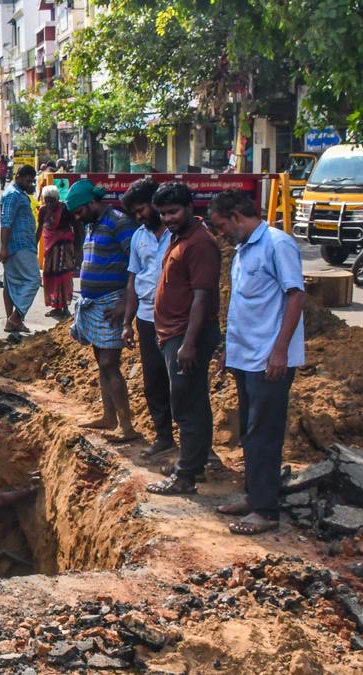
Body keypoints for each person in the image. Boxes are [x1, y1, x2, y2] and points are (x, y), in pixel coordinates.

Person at [207, 190, 305, 535]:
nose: (220, 233)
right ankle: (254, 495)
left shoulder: (277, 245)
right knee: (250, 431)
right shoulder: (243, 249)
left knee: (263, 432)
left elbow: (296, 296)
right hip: (246, 357)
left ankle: (266, 510)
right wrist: (228, 352)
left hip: (269, 360)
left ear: (236, 215)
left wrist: (280, 350)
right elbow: (244, 307)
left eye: (221, 225)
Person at [145, 183, 222, 496]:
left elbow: (203, 296)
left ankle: (185, 476)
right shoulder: (179, 237)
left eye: (173, 211)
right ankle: (195, 464)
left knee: (186, 406)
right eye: (163, 213)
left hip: (187, 334)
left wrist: (189, 344)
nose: (168, 218)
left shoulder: (200, 244)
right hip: (174, 333)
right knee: (193, 401)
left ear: (190, 208)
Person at [64, 179, 140, 443]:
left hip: (113, 304)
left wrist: (125, 305)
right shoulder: (92, 224)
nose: (77, 217)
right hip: (95, 304)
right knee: (101, 362)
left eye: (80, 211)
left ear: (93, 202)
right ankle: (109, 416)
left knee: (110, 363)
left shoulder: (119, 222)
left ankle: (126, 426)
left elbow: (137, 266)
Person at [120, 179, 177, 458]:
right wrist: (127, 323)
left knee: (181, 382)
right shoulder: (138, 237)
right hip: (145, 318)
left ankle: (196, 447)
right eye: (134, 213)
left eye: (141, 209)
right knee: (153, 380)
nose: (139, 216)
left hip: (176, 320)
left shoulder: (179, 234)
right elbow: (133, 279)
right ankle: (163, 436)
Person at [0, 165, 41, 332]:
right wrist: (4, 248)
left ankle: (12, 321)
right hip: (18, 246)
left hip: (21, 245)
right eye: (28, 180)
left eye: (32, 181)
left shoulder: (20, 194)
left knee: (10, 283)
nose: (31, 184)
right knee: (34, 280)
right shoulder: (12, 195)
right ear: (19, 177)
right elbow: (6, 223)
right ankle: (15, 318)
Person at [36, 184, 76, 319]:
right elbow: (40, 229)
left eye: (52, 200)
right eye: (46, 200)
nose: (49, 203)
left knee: (62, 276)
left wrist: (78, 250)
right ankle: (56, 306)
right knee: (49, 275)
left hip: (63, 247)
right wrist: (33, 245)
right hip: (50, 247)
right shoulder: (42, 211)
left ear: (57, 199)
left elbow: (77, 228)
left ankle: (64, 306)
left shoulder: (65, 210)